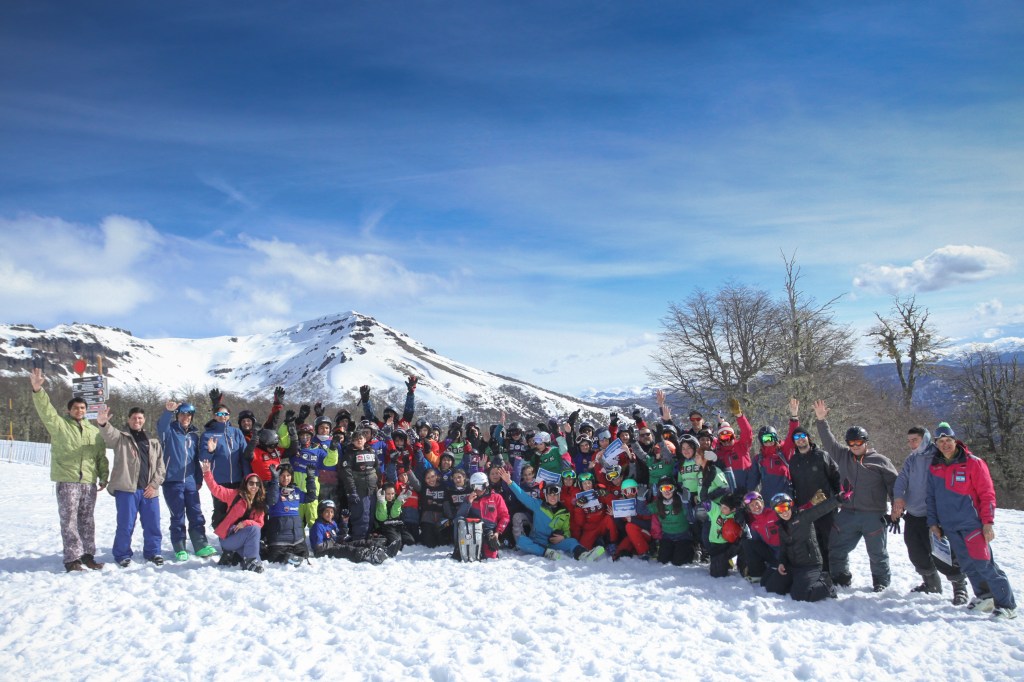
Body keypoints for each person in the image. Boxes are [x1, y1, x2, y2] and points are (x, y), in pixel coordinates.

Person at [926, 423, 1017, 619]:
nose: (945, 445)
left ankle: (1006, 604)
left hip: (972, 525)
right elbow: (931, 496)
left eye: (948, 440)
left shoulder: (972, 463)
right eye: (941, 441)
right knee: (967, 564)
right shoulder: (935, 466)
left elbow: (987, 494)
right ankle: (984, 596)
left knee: (984, 563)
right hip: (949, 526)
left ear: (955, 440)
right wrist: (933, 523)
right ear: (936, 443)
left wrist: (988, 523)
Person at [813, 399, 898, 592]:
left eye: (859, 442)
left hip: (873, 515)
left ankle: (881, 582)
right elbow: (828, 441)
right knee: (836, 548)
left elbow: (895, 485)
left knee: (877, 553)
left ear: (865, 442)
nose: (855, 445)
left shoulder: (880, 461)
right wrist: (821, 420)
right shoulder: (843, 456)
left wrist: (897, 507)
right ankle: (840, 578)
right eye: (851, 443)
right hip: (848, 513)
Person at [29, 368, 108, 572]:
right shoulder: (60, 426)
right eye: (76, 408)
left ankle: (88, 555)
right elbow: (47, 412)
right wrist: (38, 390)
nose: (80, 411)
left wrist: (103, 477)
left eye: (82, 408)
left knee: (87, 520)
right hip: (68, 480)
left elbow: (100, 456)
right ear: (69, 410)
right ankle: (72, 558)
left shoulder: (93, 431)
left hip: (88, 482)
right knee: (69, 520)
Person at [892, 425, 969, 604]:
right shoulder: (912, 459)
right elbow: (901, 480)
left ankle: (959, 587)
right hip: (913, 514)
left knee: (942, 553)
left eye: (915, 440)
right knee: (915, 551)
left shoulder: (938, 456)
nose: (911, 444)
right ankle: (931, 583)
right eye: (909, 441)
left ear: (925, 438)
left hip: (935, 515)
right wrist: (898, 498)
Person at [96, 405, 166, 567]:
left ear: (144, 420)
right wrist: (103, 423)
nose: (137, 420)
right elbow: (109, 434)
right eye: (134, 418)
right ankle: (122, 554)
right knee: (125, 524)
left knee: (153, 524)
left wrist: (154, 485)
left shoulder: (153, 441)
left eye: (140, 418)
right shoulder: (121, 438)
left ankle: (153, 552)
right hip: (127, 490)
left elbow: (161, 467)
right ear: (128, 420)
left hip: (149, 490)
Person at [498, 468, 605, 562]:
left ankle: (583, 555)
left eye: (555, 495)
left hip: (553, 543)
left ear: (559, 496)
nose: (553, 497)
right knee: (522, 542)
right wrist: (509, 482)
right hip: (537, 541)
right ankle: (546, 553)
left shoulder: (564, 512)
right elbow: (522, 496)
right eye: (550, 495)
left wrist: (563, 537)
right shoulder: (538, 505)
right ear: (546, 496)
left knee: (572, 541)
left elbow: (567, 531)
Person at [784, 399, 841, 574]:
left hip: (825, 506)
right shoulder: (793, 461)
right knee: (812, 540)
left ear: (808, 438)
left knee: (828, 540)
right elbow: (792, 483)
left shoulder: (821, 456)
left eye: (803, 437)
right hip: (806, 507)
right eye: (797, 438)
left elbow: (835, 476)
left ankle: (832, 571)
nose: (800, 440)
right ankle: (818, 570)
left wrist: (837, 498)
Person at [157, 400, 215, 561]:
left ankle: (200, 544)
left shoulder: (194, 436)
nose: (186, 417)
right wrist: (168, 412)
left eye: (189, 414)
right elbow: (161, 427)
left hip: (190, 480)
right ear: (177, 415)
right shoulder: (169, 431)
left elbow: (196, 459)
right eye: (182, 414)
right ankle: (179, 547)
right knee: (177, 515)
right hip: (172, 480)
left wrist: (198, 479)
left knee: (196, 513)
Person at [773, 489, 849, 602]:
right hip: (795, 565)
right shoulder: (781, 527)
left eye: (785, 506)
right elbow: (784, 548)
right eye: (779, 509)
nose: (784, 512)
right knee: (773, 586)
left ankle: (827, 585)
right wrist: (782, 563)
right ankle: (798, 583)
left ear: (791, 505)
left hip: (810, 564)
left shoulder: (803, 516)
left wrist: (838, 498)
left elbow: (820, 509)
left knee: (799, 595)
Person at [200, 461, 266, 573]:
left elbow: (259, 523)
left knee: (257, 555)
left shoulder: (259, 503)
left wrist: (245, 523)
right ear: (246, 484)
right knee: (254, 532)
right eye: (251, 483)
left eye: (257, 484)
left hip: (243, 537)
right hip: (228, 538)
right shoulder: (235, 495)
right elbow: (216, 490)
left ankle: (245, 560)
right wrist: (207, 473)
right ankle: (250, 561)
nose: (254, 486)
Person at [200, 404, 249, 528]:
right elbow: (203, 458)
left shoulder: (236, 432)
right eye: (220, 414)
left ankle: (238, 538)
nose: (223, 416)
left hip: (238, 481)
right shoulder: (208, 435)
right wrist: (210, 451)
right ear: (214, 416)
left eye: (226, 414)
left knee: (239, 510)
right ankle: (224, 540)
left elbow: (244, 457)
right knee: (221, 511)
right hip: (220, 481)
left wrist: (247, 477)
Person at [456, 470, 511, 559]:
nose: (477, 490)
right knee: (470, 555)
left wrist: (497, 532)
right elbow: (459, 517)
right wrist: (468, 503)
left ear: (486, 485)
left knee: (491, 556)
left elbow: (505, 516)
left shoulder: (496, 497)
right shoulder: (469, 498)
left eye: (479, 486)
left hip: (489, 531)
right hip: (472, 531)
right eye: (474, 487)